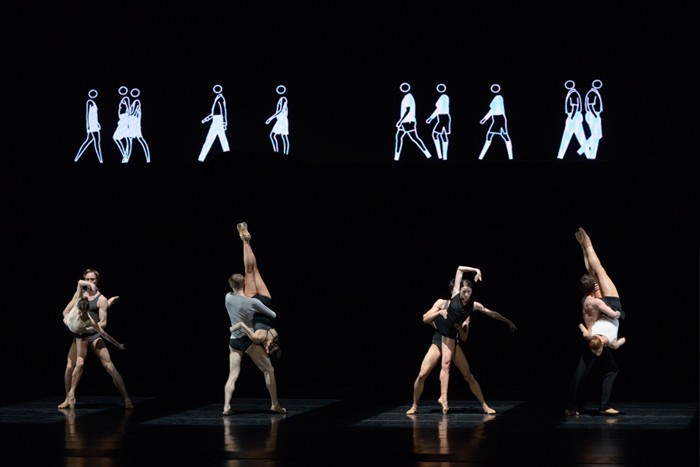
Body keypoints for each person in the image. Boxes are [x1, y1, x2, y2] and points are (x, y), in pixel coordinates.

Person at [421, 266, 517, 414]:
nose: (466, 294)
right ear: (459, 290)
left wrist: (507, 321)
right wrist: (477, 270)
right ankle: (443, 397)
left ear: (472, 291)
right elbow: (460, 269)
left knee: (466, 374)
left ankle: (484, 405)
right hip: (442, 330)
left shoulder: (473, 306)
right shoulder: (455, 295)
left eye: (468, 291)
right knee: (445, 365)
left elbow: (491, 313)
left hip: (451, 335)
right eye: (464, 291)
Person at [566, 227, 625, 416]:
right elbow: (613, 335)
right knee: (598, 270)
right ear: (592, 289)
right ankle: (587, 244)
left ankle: (575, 406)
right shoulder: (595, 301)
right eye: (594, 286)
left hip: (595, 334)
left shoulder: (588, 299)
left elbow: (590, 274)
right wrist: (616, 314)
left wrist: (583, 249)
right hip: (603, 323)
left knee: (597, 271)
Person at [223, 247, 286, 415]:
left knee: (233, 375)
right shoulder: (251, 303)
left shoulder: (227, 297)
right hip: (247, 339)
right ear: (243, 283)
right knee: (268, 370)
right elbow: (272, 314)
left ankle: (226, 406)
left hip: (234, 339)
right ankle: (275, 404)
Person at [58, 269, 133, 410]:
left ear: (97, 280)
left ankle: (126, 398)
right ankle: (68, 397)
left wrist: (89, 329)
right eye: (88, 279)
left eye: (93, 279)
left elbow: (103, 324)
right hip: (80, 336)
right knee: (70, 366)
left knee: (109, 366)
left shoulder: (101, 299)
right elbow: (65, 311)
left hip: (93, 334)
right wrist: (69, 323)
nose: (90, 282)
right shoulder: (80, 294)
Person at [229, 222, 281, 361]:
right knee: (248, 271)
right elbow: (243, 326)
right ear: (268, 350)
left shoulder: (275, 335)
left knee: (255, 269)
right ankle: (245, 241)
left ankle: (247, 242)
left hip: (266, 301)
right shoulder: (258, 339)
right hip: (253, 303)